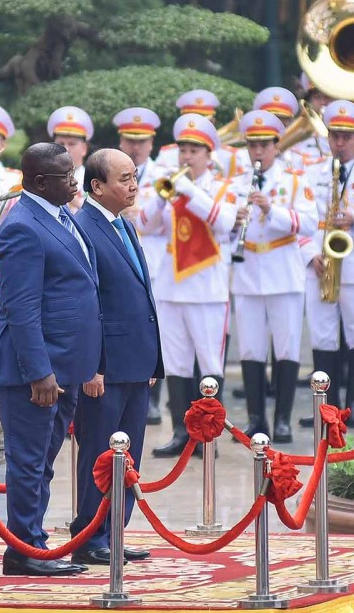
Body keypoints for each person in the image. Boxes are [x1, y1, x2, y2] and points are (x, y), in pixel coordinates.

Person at [0, 143, 100, 577]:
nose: (74, 181)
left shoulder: (59, 213)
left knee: (43, 461)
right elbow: (21, 307)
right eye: (66, 176)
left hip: (65, 365)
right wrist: (40, 373)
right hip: (33, 370)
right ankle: (25, 550)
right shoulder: (22, 227)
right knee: (29, 462)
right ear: (39, 182)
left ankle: (32, 542)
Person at [69, 149, 161, 566]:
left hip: (135, 361)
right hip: (105, 366)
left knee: (128, 453)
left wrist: (152, 359)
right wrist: (93, 365)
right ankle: (90, 533)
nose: (133, 185)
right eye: (124, 178)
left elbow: (137, 293)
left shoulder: (123, 224)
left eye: (135, 176)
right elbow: (88, 305)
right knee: (98, 452)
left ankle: (114, 532)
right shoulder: (83, 227)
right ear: (97, 187)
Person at [138, 114, 239, 456]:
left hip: (207, 290)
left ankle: (208, 436)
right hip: (171, 287)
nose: (186, 156)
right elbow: (145, 226)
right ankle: (181, 433)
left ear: (209, 155)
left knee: (209, 363)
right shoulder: (170, 187)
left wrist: (189, 191)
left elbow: (223, 223)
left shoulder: (223, 188)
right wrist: (160, 199)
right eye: (183, 149)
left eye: (194, 150)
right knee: (177, 364)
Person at [229, 111, 319, 441]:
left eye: (263, 146)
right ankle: (256, 419)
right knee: (251, 349)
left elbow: (310, 223)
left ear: (275, 147)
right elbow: (221, 230)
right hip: (248, 271)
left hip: (283, 272)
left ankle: (282, 419)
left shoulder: (295, 180)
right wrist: (232, 222)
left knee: (286, 348)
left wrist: (271, 210)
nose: (256, 152)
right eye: (252, 146)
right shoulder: (236, 184)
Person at [299, 101, 354, 428]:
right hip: (320, 263)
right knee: (322, 337)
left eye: (346, 136)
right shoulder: (311, 172)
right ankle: (327, 407)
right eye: (334, 136)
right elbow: (301, 221)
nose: (339, 143)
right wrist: (310, 254)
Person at [112, 107, 165, 425]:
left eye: (141, 141)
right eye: (130, 140)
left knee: (153, 329)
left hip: (155, 259)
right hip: (120, 258)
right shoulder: (106, 173)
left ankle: (153, 399)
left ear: (152, 143)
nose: (135, 147)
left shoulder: (163, 176)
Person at [47, 106, 93, 211]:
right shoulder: (45, 181)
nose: (66, 149)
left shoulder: (94, 182)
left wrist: (75, 201)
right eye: (61, 144)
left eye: (72, 144)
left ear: (84, 148)